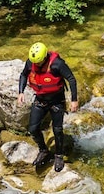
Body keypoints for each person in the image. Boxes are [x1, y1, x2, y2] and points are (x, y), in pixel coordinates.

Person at [18, 42, 79, 172]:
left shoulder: (57, 64)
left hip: (56, 101)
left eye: (39, 62)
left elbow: (71, 79)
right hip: (40, 100)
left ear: (45, 57)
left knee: (57, 130)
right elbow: (23, 75)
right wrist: (21, 92)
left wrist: (74, 100)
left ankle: (59, 155)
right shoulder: (31, 62)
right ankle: (43, 150)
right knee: (33, 128)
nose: (37, 65)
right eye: (35, 63)